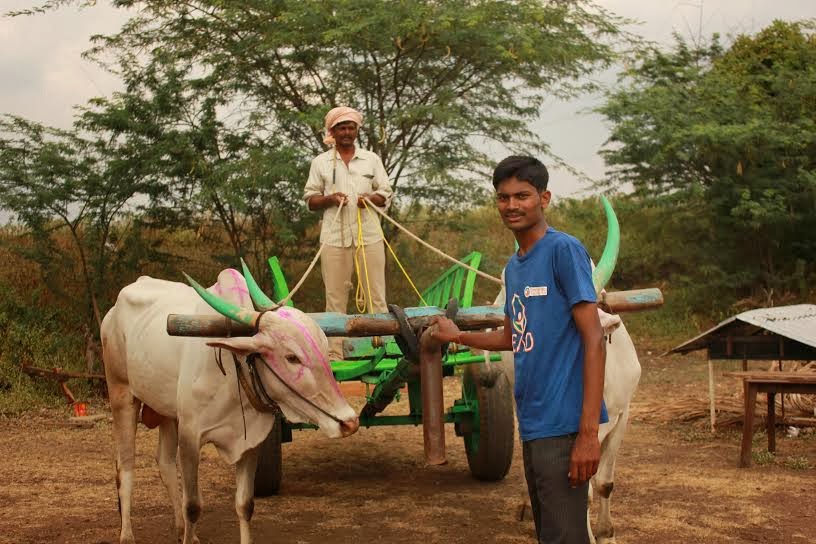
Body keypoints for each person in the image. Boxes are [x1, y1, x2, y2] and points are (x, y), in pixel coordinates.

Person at [431, 156, 607, 544]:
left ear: (544, 198)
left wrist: (588, 435)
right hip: (534, 424)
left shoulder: (564, 250)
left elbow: (594, 338)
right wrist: (457, 336)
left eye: (522, 196)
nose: (512, 205)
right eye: (503, 197)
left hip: (564, 427)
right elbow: (513, 337)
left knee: (566, 537)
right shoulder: (514, 267)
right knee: (551, 534)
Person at [303, 106, 393, 360]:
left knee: (377, 296)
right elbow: (310, 199)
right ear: (332, 131)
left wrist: (371, 198)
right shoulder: (320, 162)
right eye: (341, 127)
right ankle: (335, 354)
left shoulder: (371, 159)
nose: (346, 132)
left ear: (356, 131)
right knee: (335, 299)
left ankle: (383, 349)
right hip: (334, 238)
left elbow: (386, 192)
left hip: (370, 236)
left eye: (350, 127)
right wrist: (330, 199)